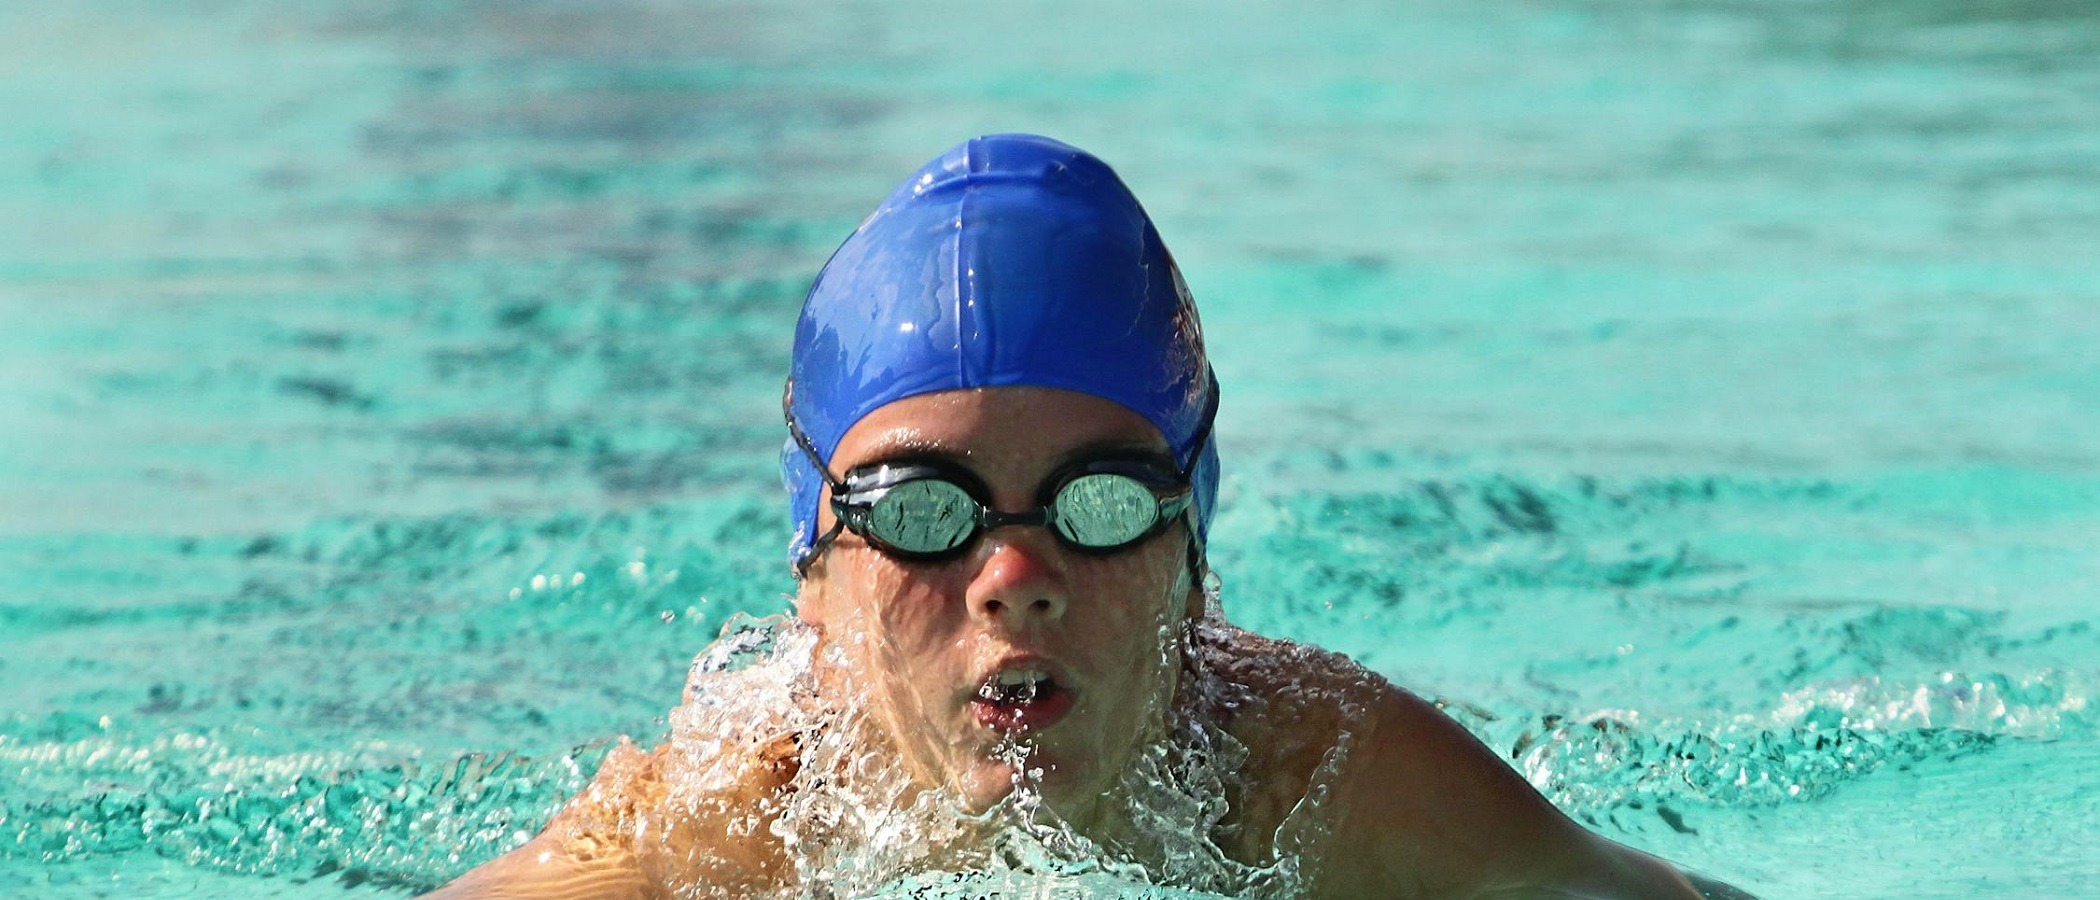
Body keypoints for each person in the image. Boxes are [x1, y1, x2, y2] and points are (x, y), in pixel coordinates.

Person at [427, 134, 1713, 899]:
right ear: (813, 570)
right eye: (925, 509)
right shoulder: (722, 832)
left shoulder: (1309, 779)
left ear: (1192, 561)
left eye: (1101, 503)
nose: (1014, 576)